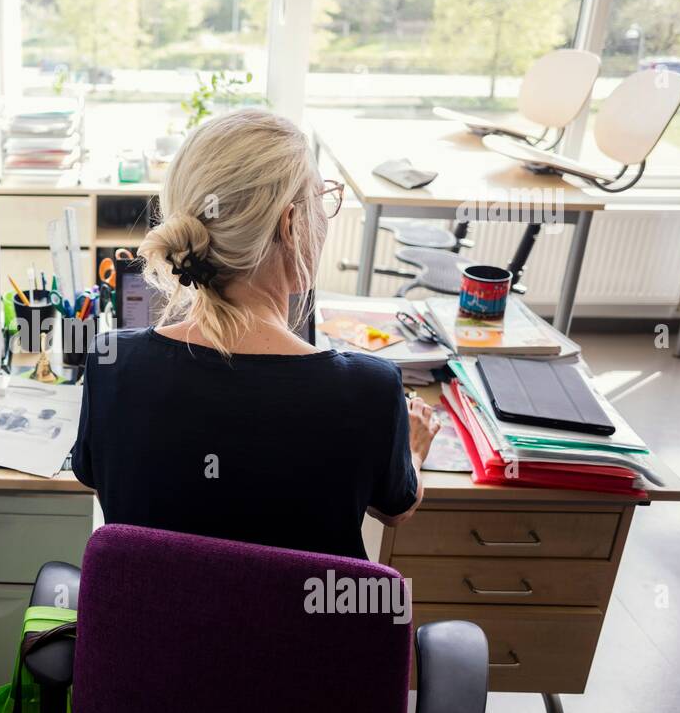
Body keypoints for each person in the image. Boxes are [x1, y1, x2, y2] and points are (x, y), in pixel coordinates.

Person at [71, 108, 440, 560]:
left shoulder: (112, 364)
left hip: (150, 631)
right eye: (322, 199)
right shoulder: (369, 391)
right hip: (306, 631)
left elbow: (93, 476)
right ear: (290, 223)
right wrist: (414, 450)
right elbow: (396, 508)